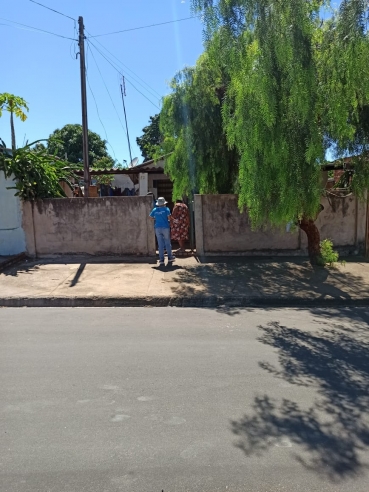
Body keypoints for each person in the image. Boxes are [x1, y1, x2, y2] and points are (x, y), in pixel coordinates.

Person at [149, 197, 176, 266]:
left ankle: (161, 260)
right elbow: (169, 218)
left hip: (157, 228)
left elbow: (150, 217)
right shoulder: (166, 209)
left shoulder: (155, 210)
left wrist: (156, 218)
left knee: (160, 244)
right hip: (165, 227)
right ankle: (170, 257)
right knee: (167, 243)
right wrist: (173, 220)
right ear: (164, 203)